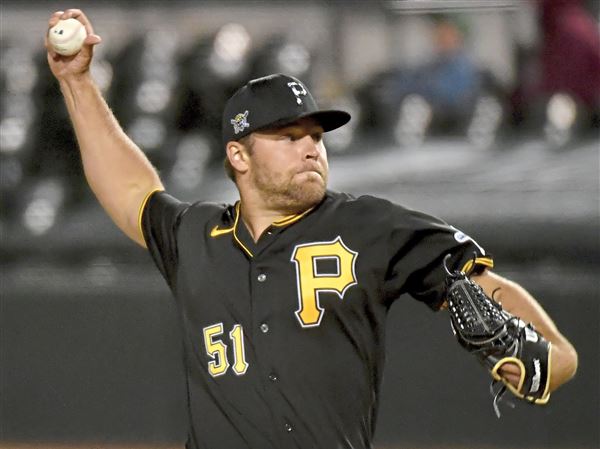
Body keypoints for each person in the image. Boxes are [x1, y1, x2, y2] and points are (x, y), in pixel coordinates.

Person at [46, 9, 578, 449]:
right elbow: (130, 187)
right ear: (239, 154)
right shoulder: (193, 235)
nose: (311, 147)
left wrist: (556, 357)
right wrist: (77, 82)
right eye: (287, 135)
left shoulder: (369, 224)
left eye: (316, 135)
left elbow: (480, 283)